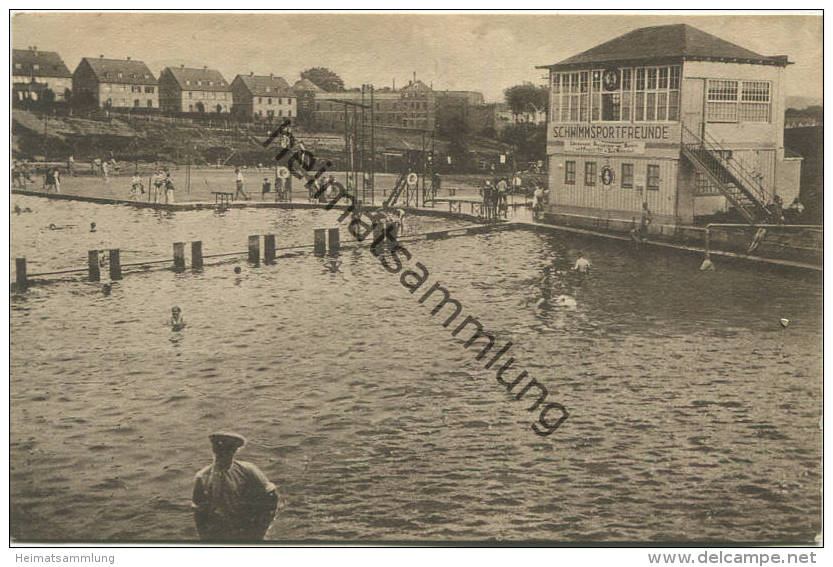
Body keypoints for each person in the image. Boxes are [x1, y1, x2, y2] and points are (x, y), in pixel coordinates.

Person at [192, 432, 278, 541]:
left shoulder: (248, 470)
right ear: (214, 452)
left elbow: (271, 497)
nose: (224, 457)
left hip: (247, 530)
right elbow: (199, 514)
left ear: (234, 452)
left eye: (229, 453)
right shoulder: (202, 477)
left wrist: (260, 529)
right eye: (220, 454)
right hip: (218, 533)